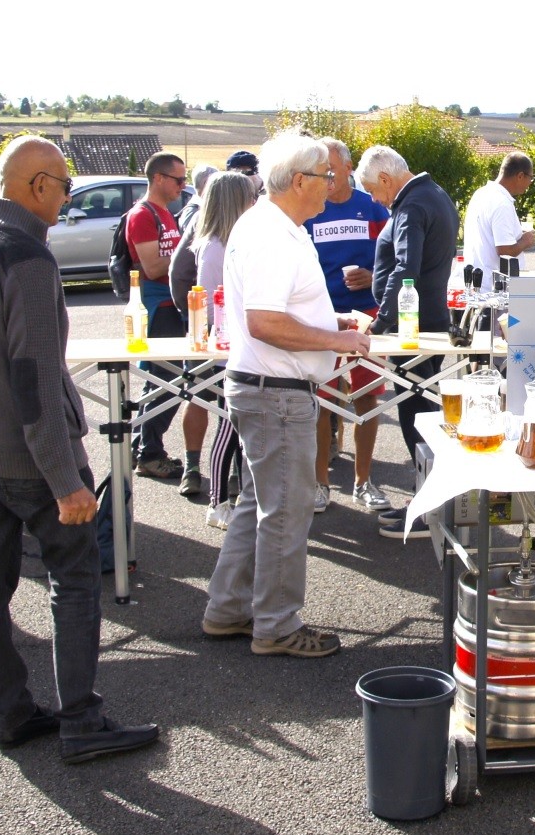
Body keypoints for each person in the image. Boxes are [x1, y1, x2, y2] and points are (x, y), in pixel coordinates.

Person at [0, 136, 160, 763]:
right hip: (33, 460)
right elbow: (33, 381)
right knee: (76, 581)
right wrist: (66, 482)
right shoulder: (25, 257)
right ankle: (82, 722)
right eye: (64, 185)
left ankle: (10, 713)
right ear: (37, 186)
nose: (67, 197)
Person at [203, 131, 372, 657]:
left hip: (270, 388)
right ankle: (275, 626)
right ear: (299, 181)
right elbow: (266, 323)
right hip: (275, 391)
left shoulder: (279, 226)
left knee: (261, 504)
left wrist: (331, 321)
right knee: (285, 511)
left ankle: (228, 610)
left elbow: (278, 312)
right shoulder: (272, 233)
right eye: (326, 175)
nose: (333, 183)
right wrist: (336, 337)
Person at [356, 145, 460, 460]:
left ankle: (428, 483)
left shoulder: (411, 206)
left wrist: (383, 319)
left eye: (373, 190)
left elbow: (406, 268)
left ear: (386, 179)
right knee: (424, 402)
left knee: (416, 408)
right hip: (431, 316)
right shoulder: (435, 193)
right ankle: (432, 481)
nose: (374, 199)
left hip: (411, 323)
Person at [305, 137, 391, 512]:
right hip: (322, 318)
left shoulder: (371, 207)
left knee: (367, 399)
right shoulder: (310, 209)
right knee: (322, 402)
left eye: (330, 168)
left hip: (367, 316)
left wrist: (372, 276)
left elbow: (391, 257)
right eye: (320, 168)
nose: (325, 175)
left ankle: (363, 481)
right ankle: (321, 483)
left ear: (348, 168)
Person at [169, 172, 256, 529]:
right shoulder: (215, 247)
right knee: (228, 425)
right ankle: (218, 501)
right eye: (249, 197)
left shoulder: (230, 242)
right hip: (222, 349)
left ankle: (230, 499)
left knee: (234, 425)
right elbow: (206, 304)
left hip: (234, 345)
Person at [126, 152, 188, 481]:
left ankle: (145, 448)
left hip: (169, 305)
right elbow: (151, 267)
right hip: (157, 306)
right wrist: (188, 252)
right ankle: (148, 453)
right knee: (169, 381)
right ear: (159, 179)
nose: (183, 185)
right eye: (179, 179)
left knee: (162, 381)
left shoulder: (165, 212)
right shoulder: (142, 215)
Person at [463, 152, 535, 279]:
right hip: (494, 288)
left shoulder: (480, 194)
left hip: (477, 279)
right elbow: (505, 251)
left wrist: (517, 234)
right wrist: (526, 241)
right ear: (520, 176)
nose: (530, 182)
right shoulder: (502, 203)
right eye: (531, 177)